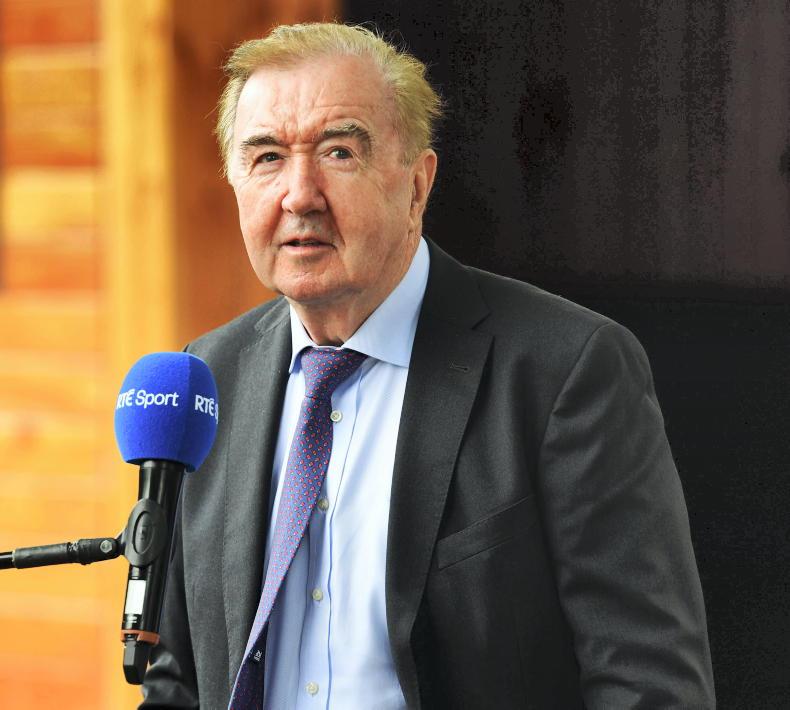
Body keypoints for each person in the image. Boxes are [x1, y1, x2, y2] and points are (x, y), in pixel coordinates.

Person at [140, 22, 715, 709]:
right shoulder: (209, 376)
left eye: (339, 152)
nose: (299, 195)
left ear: (417, 185)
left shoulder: (567, 370)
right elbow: (178, 679)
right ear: (235, 184)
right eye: (266, 157)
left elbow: (650, 685)